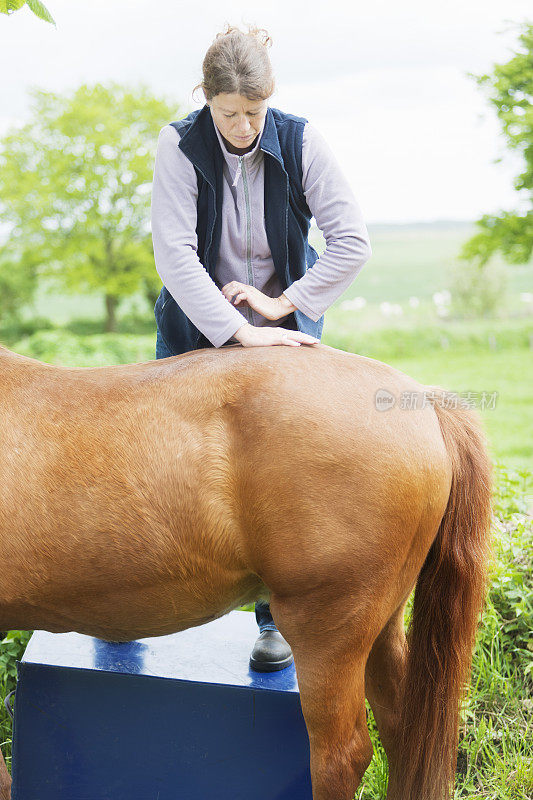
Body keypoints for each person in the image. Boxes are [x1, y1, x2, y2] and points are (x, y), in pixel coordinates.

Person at [150, 23, 372, 672]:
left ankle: (272, 624)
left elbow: (351, 241)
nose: (243, 126)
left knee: (288, 478)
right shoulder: (178, 143)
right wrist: (234, 327)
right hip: (196, 320)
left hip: (283, 327)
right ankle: (135, 602)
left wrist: (284, 303)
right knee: (165, 465)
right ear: (206, 99)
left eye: (254, 112)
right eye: (229, 113)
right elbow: (174, 253)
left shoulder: (302, 140)